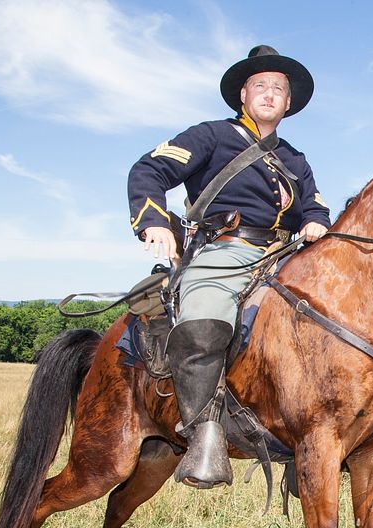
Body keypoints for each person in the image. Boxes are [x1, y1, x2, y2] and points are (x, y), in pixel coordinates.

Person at [127, 45, 331, 489]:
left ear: (289, 102)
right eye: (261, 86)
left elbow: (315, 206)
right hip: (224, 251)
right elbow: (149, 169)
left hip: (282, 256)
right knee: (205, 319)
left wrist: (315, 222)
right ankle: (204, 437)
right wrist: (155, 224)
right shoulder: (211, 136)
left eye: (279, 88)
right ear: (244, 93)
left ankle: (309, 441)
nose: (270, 93)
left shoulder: (296, 159)